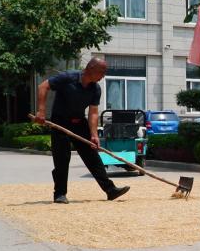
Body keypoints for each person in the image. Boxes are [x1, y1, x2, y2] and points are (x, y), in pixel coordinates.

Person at [34, 58, 130, 204]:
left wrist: (94, 135)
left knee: (92, 155)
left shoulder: (95, 89)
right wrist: (41, 111)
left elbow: (93, 113)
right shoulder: (67, 77)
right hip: (60, 122)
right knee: (62, 158)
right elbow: (43, 86)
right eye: (102, 72)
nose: (103, 76)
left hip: (79, 123)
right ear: (91, 68)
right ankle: (60, 194)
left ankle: (110, 190)